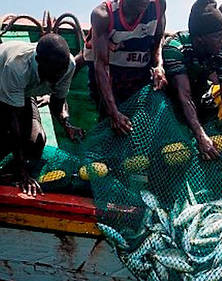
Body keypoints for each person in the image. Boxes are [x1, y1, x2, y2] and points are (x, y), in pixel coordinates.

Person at [162, 0, 222, 165]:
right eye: (219, 36)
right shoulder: (175, 47)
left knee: (216, 143)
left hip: (200, 99)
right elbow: (184, 96)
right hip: (171, 104)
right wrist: (200, 136)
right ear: (199, 39)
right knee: (173, 155)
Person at [0, 34, 85, 196]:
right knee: (6, 141)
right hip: (2, 85)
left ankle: (11, 171)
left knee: (36, 141)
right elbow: (14, 124)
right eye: (53, 71)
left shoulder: (68, 66)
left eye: (62, 70)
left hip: (24, 93)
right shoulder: (16, 67)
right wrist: (23, 174)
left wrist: (67, 125)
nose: (59, 76)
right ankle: (14, 172)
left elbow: (57, 104)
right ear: (39, 61)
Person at [85, 0, 167, 135]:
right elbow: (101, 66)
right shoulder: (104, 15)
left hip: (137, 71)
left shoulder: (159, 5)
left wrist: (159, 66)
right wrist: (113, 112)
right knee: (111, 124)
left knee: (140, 120)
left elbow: (158, 40)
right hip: (109, 75)